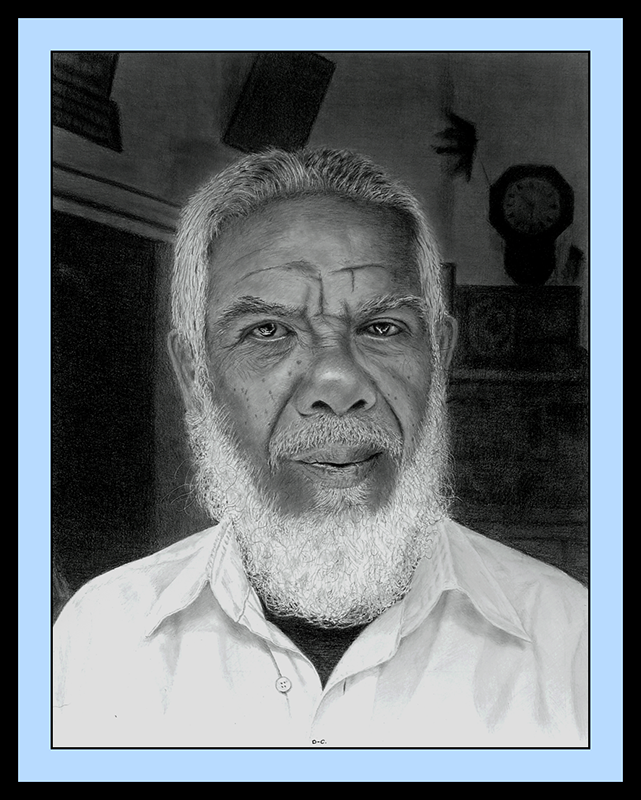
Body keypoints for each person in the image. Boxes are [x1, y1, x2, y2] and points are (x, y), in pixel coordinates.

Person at [53, 147, 588, 748]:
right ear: (194, 376)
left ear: (439, 357)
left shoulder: (577, 645)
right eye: (268, 331)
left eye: (382, 328)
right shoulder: (97, 638)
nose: (336, 385)